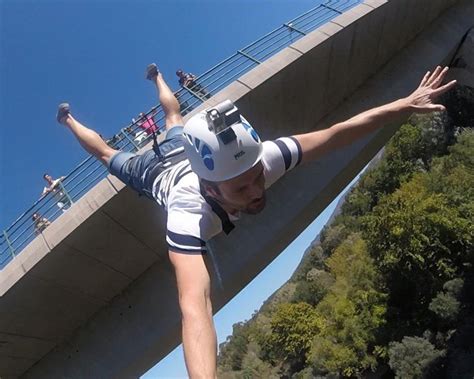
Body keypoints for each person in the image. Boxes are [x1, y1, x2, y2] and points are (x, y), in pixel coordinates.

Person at [56, 64, 455, 378]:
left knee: (174, 118)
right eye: (241, 190)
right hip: (155, 174)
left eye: (257, 179)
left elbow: (336, 133)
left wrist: (400, 105)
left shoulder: (261, 159)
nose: (257, 191)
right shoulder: (184, 216)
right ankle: (69, 121)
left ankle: (157, 76)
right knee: (108, 156)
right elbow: (196, 307)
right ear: (212, 191)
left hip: (186, 152)